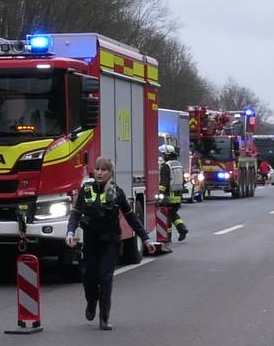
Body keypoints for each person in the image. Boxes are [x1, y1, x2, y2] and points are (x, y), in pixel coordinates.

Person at [65, 157, 139, 331]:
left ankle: (104, 318)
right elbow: (76, 213)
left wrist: (145, 238)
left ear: (110, 172)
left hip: (111, 242)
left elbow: (131, 217)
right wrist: (70, 231)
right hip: (91, 242)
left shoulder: (117, 192)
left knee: (105, 278)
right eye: (97, 169)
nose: (99, 172)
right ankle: (91, 302)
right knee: (88, 276)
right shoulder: (86, 190)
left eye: (104, 170)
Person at [155, 142, 189, 242]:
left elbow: (164, 182)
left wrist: (160, 193)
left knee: (168, 217)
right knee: (173, 214)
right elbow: (182, 180)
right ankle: (182, 229)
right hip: (177, 195)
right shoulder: (178, 165)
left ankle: (167, 237)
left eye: (164, 154)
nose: (163, 156)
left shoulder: (166, 166)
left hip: (169, 195)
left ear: (167, 154)